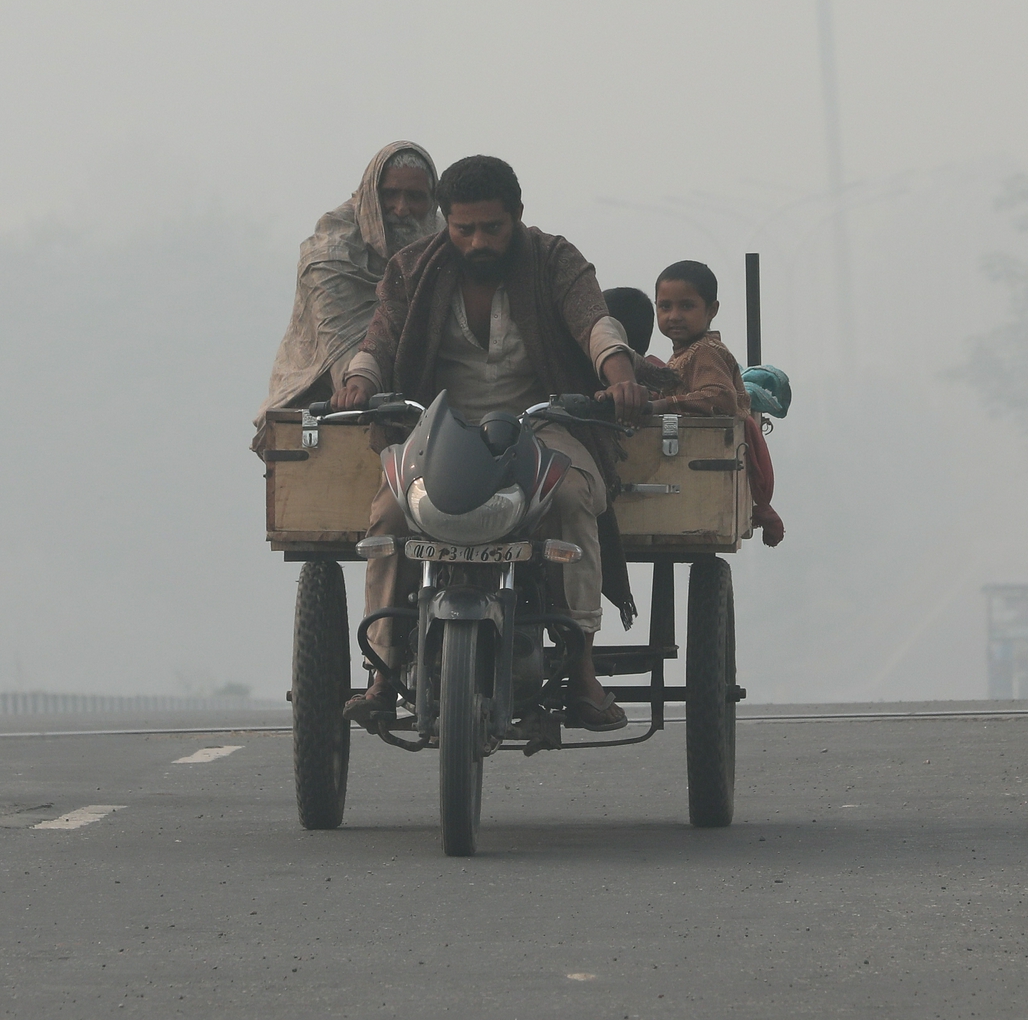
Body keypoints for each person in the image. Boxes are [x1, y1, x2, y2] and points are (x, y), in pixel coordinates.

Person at [335, 155, 645, 732]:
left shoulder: (554, 260)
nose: (478, 241)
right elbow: (380, 338)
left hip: (541, 419)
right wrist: (360, 382)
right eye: (464, 229)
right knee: (387, 512)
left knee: (577, 499)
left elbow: (594, 321)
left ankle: (580, 666)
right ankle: (383, 670)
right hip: (438, 424)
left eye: (492, 228)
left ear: (518, 218)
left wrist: (617, 370)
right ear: (444, 222)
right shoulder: (412, 269)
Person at [255, 143, 441, 431]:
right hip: (321, 409)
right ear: (370, 194)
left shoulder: (444, 239)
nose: (401, 209)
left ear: (432, 202)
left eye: (415, 197)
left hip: (420, 408)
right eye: (390, 194)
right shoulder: (331, 252)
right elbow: (344, 352)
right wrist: (360, 385)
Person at [647, 260, 784, 546]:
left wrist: (665, 404)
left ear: (712, 310)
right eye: (665, 306)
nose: (674, 316)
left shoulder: (705, 352)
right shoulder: (685, 353)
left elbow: (720, 397)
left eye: (686, 306)